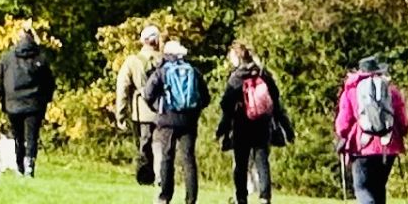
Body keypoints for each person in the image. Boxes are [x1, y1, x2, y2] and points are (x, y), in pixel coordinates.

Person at [216, 41, 293, 204]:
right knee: (262, 161)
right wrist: (287, 129)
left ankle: (241, 197)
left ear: (236, 58)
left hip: (241, 124)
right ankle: (265, 197)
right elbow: (276, 102)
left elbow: (226, 105)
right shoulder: (263, 74)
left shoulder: (236, 77)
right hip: (263, 124)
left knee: (241, 164)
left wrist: (221, 130)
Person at [335, 56, 408, 204]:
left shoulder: (351, 91)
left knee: (363, 188)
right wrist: (401, 134)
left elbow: (343, 123)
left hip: (362, 147)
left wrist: (342, 137)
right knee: (379, 187)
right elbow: (403, 122)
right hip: (388, 146)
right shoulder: (391, 90)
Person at [143, 37, 207, 204]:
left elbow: (147, 93)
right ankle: (191, 199)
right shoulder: (193, 71)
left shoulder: (162, 70)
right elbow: (206, 97)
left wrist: (158, 108)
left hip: (167, 120)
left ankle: (165, 196)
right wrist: (194, 111)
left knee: (167, 157)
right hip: (189, 122)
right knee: (189, 159)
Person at [0, 24, 57, 177]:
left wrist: (3, 101)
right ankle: (29, 165)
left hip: (13, 103)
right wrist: (46, 100)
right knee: (31, 137)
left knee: (18, 137)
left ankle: (19, 165)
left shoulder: (6, 59)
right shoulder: (41, 59)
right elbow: (49, 82)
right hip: (34, 104)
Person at [115, 24, 165, 183]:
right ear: (156, 41)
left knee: (144, 145)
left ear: (142, 41)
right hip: (164, 111)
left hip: (141, 112)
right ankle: (160, 176)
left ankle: (145, 177)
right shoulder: (165, 60)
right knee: (161, 145)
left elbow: (122, 87)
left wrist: (120, 114)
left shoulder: (132, 61)